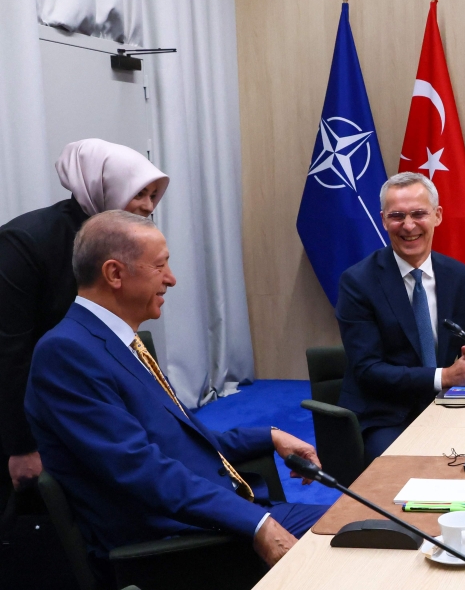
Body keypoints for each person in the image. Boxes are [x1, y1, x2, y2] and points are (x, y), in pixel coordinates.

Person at [24, 211, 327, 566]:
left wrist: (269, 436)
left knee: (367, 525)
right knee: (360, 532)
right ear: (114, 274)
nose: (171, 278)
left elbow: (179, 440)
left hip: (218, 516)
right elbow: (139, 468)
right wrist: (257, 523)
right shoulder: (66, 353)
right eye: (159, 266)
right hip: (177, 544)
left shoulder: (117, 341)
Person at [0, 139, 169, 497]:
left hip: (88, 398)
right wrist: (21, 445)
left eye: (153, 195)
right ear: (102, 186)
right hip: (32, 409)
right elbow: (10, 351)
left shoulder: (124, 242)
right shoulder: (24, 242)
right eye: (139, 193)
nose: (148, 206)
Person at [336, 172, 465, 461]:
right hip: (386, 414)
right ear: (383, 220)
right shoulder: (358, 282)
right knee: (404, 472)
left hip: (452, 403)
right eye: (397, 216)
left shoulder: (458, 276)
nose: (408, 225)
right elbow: (368, 370)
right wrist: (445, 376)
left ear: (437, 216)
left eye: (418, 214)